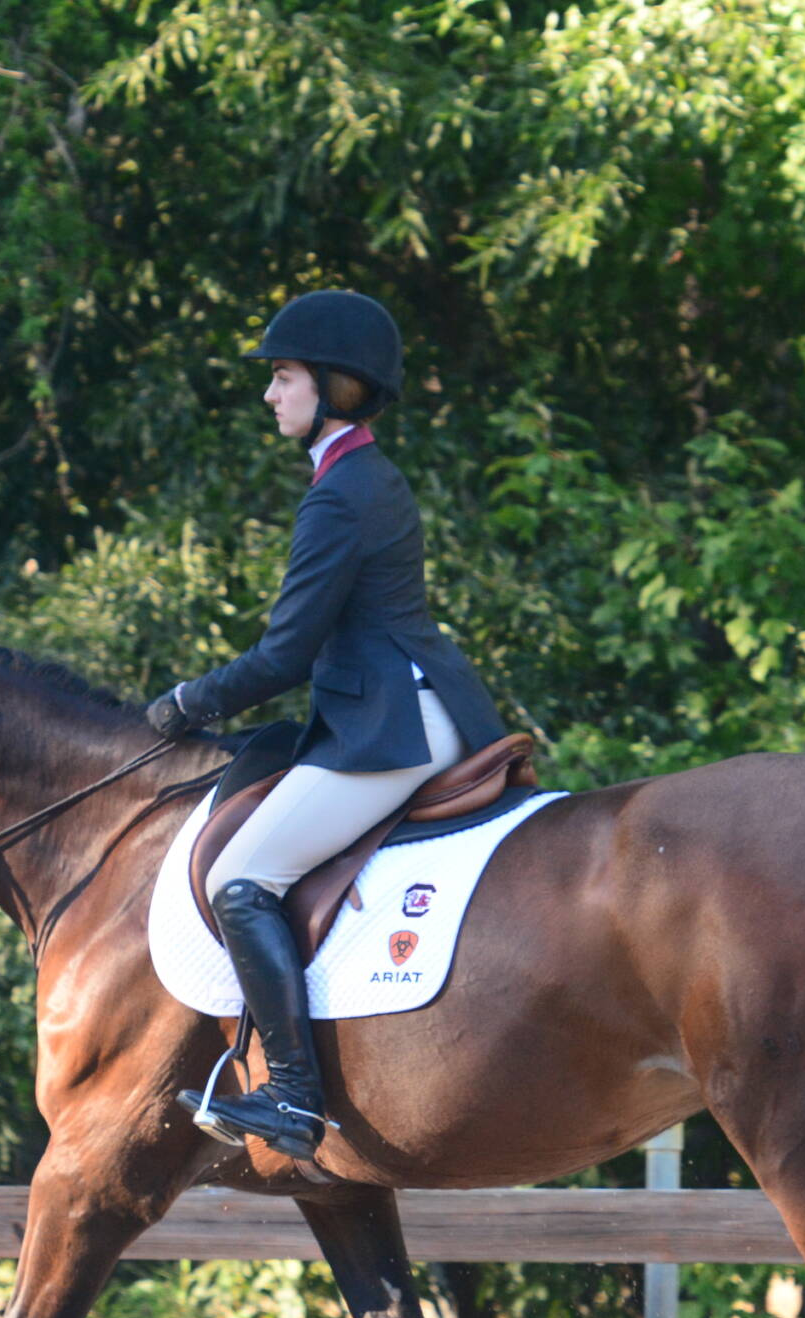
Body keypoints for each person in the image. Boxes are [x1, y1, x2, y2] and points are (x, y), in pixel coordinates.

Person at [144, 291, 505, 1160]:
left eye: (283, 376)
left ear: (335, 386)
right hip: (429, 705)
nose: (271, 395)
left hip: (392, 725)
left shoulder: (340, 495)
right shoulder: (363, 477)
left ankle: (296, 1097)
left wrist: (189, 702)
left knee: (241, 877)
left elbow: (285, 655)